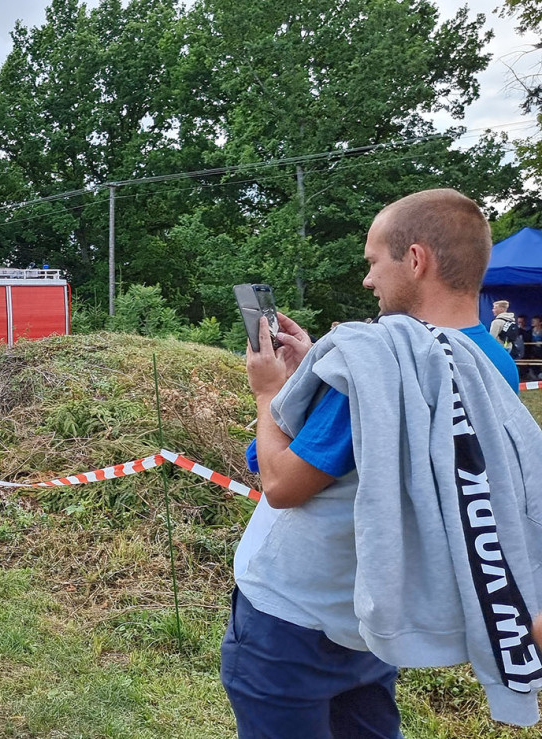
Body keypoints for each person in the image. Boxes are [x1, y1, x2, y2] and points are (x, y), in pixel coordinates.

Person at [222, 189, 541, 735]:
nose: (368, 280)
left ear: (415, 260)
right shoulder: (492, 366)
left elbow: (279, 483)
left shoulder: (378, 368)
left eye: (374, 262)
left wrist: (269, 391)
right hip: (372, 617)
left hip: (292, 620)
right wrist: (320, 369)